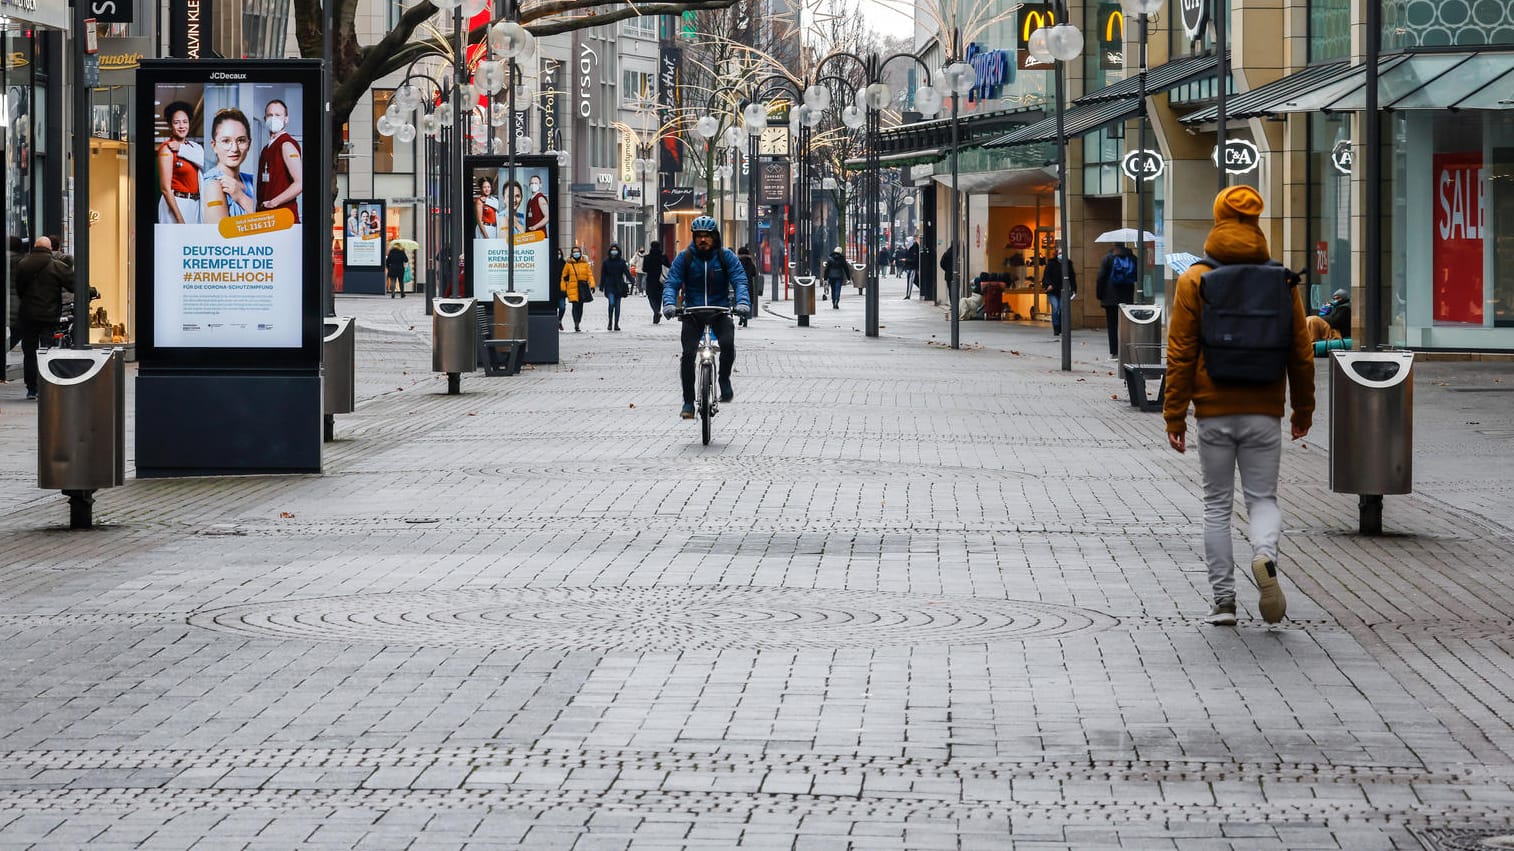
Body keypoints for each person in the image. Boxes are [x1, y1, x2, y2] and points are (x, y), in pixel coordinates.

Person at [1163, 185, 1315, 627]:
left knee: (1216, 505)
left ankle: (1224, 601)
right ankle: (1264, 555)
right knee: (1262, 498)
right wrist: (1302, 411)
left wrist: (1174, 414)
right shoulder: (1282, 280)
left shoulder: (1195, 279)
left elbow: (1181, 352)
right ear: (1255, 224)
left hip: (1212, 410)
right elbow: (1301, 352)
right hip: (1264, 408)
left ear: (1217, 220)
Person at [661, 216, 750, 419]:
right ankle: (688, 402)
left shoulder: (725, 257)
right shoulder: (685, 258)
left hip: (719, 311)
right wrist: (669, 304)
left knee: (728, 343)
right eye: (699, 236)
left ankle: (724, 379)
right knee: (688, 355)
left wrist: (742, 303)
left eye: (707, 236)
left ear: (715, 237)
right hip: (693, 313)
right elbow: (672, 283)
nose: (703, 240)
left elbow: (740, 280)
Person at [14, 237, 76, 400]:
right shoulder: (56, 266)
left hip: (28, 315)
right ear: (49, 249)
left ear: (35, 247)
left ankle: (31, 389)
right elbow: (73, 283)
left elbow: (19, 288)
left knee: (29, 352)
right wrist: (91, 291)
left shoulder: (23, 264)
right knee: (47, 350)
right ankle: (46, 383)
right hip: (49, 315)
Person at [201, 108, 257, 224]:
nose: (234, 149)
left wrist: (241, 197)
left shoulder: (252, 180)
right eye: (226, 141)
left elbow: (276, 224)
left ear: (249, 144)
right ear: (214, 145)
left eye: (241, 140)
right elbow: (221, 238)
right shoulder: (214, 185)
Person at [156, 101, 203, 225]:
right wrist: (179, 219)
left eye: (185, 122)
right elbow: (165, 189)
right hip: (177, 204)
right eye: (176, 122)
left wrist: (182, 149)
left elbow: (207, 165)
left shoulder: (195, 148)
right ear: (171, 125)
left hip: (195, 204)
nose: (182, 126)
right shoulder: (167, 149)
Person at [256, 99, 302, 221]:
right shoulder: (266, 149)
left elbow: (300, 183)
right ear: (265, 118)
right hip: (266, 217)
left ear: (286, 119)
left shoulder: (286, 145)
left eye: (278, 115)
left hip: (283, 217)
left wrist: (274, 203)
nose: (273, 118)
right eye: (270, 115)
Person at [1096, 244, 1137, 358]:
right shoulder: (1133, 258)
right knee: (1126, 326)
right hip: (1127, 297)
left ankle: (1114, 352)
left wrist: (1100, 295)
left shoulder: (1108, 258)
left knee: (1112, 325)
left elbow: (1101, 278)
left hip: (1110, 298)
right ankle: (1127, 351)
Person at [559, 245, 594, 333]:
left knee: (580, 306)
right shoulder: (568, 264)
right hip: (572, 287)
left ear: (580, 253)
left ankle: (578, 321)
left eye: (577, 251)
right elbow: (563, 276)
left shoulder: (585, 264)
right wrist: (563, 288)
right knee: (575, 306)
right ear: (572, 253)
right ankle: (576, 324)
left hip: (582, 288)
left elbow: (589, 275)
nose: (576, 253)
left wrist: (592, 285)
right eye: (574, 252)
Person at [1042, 251, 1077, 338]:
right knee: (1055, 308)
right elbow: (1046, 276)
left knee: (1062, 308)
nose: (1061, 255)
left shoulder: (1068, 264)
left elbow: (1072, 277)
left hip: (1063, 290)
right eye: (1060, 253)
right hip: (1052, 290)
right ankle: (1056, 328)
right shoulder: (1051, 264)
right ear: (1056, 254)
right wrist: (1048, 285)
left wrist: (1074, 289)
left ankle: (1061, 327)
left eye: (1063, 253)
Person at [599, 242, 632, 331]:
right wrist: (601, 285)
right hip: (609, 285)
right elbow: (603, 274)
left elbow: (626, 272)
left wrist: (632, 280)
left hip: (619, 285)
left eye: (615, 250)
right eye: (612, 250)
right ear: (610, 251)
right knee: (612, 302)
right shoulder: (606, 262)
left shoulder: (621, 262)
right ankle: (610, 321)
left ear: (618, 251)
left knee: (617, 306)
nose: (614, 251)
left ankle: (616, 324)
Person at [643, 241, 669, 324]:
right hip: (661, 280)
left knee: (651, 297)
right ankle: (656, 313)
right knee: (658, 297)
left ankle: (656, 312)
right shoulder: (663, 257)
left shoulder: (647, 257)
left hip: (651, 280)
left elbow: (644, 269)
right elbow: (669, 266)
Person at [736, 245, 759, 327]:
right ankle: (745, 317)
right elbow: (754, 273)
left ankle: (740, 317)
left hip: (739, 284)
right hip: (748, 284)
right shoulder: (750, 262)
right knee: (747, 301)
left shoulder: (737, 261)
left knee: (739, 300)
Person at [551, 247, 567, 330]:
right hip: (552, 290)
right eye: (557, 253)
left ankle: (559, 320)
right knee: (553, 308)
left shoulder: (564, 263)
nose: (558, 255)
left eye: (559, 253)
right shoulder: (550, 263)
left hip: (561, 289)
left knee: (562, 307)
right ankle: (555, 322)